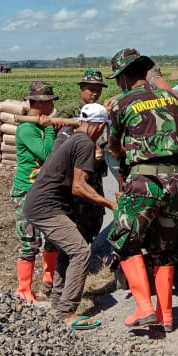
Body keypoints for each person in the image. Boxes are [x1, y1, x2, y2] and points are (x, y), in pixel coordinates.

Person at [106, 47, 178, 331]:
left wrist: (120, 153)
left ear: (125, 77)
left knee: (124, 241)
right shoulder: (171, 99)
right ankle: (166, 317)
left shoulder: (122, 103)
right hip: (176, 182)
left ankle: (144, 307)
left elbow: (114, 145)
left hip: (144, 182)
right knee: (165, 250)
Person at [24, 103, 116, 329]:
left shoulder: (75, 137)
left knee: (68, 249)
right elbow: (79, 187)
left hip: (41, 203)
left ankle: (57, 303)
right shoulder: (84, 142)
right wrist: (110, 203)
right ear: (101, 125)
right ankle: (67, 313)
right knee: (81, 252)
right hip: (47, 207)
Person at [11, 81, 69, 302]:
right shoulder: (27, 128)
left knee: (52, 237)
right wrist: (49, 130)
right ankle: (24, 289)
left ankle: (49, 277)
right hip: (26, 191)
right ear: (40, 104)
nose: (52, 107)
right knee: (30, 241)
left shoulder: (43, 126)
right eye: (50, 102)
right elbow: (46, 153)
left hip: (44, 190)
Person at [55, 69, 110, 243]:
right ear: (82, 88)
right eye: (90, 89)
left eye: (98, 89)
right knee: (76, 223)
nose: (95, 93)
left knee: (94, 219)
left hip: (94, 174)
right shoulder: (69, 112)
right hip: (76, 176)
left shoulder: (103, 112)